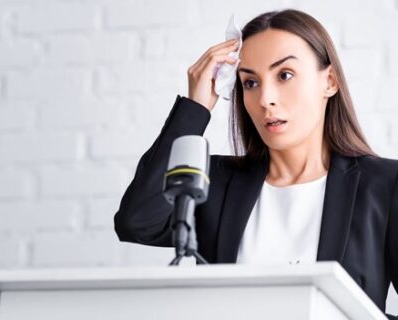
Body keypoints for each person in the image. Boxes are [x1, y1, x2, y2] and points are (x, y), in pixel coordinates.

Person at [114, 9, 398, 319]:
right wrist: (195, 109)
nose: (265, 99)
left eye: (284, 75)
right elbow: (138, 221)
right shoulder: (214, 181)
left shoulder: (383, 185)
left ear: (329, 81)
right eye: (250, 83)